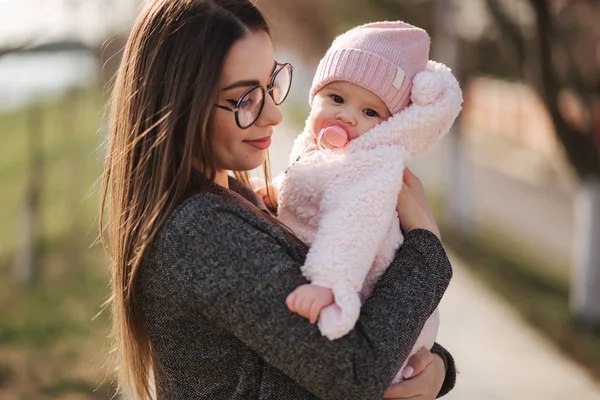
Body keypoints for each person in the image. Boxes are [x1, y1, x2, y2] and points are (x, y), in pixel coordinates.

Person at [100, 1, 456, 399]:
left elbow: (313, 348)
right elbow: (354, 372)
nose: (273, 114)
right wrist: (426, 244)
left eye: (271, 84)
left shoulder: (239, 200)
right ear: (180, 105)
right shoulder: (202, 234)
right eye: (244, 100)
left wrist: (436, 365)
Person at [274, 22, 462, 384]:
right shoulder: (318, 147)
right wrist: (272, 189)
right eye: (337, 99)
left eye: (371, 113)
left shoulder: (373, 164)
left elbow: (354, 222)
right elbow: (307, 182)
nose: (347, 116)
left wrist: (328, 283)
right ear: (315, 94)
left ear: (392, 126)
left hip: (368, 290)